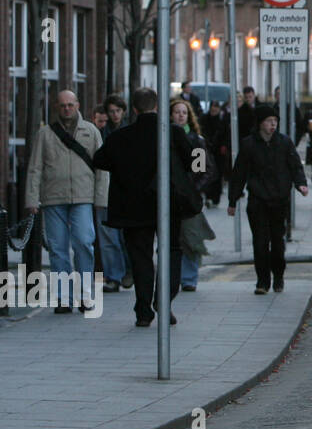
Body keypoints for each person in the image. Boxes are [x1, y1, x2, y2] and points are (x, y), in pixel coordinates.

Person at [93, 88, 194, 327]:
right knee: (171, 252)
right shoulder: (174, 133)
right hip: (168, 204)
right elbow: (196, 161)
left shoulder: (120, 137)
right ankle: (164, 302)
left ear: (135, 109)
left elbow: (99, 160)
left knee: (140, 258)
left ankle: (143, 310)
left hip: (133, 207)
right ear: (157, 107)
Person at [25, 91, 108, 312]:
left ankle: (86, 295)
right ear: (56, 107)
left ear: (78, 105)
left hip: (83, 196)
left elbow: (102, 168)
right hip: (53, 197)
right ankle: (63, 298)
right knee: (57, 249)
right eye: (63, 105)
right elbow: (35, 168)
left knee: (83, 243)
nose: (67, 109)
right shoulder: (45, 134)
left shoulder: (90, 131)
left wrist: (101, 198)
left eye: (70, 105)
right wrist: (32, 199)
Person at [228, 105, 308, 294]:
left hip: (279, 200)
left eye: (275, 121)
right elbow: (239, 173)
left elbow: (295, 165)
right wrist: (233, 200)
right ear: (260, 123)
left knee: (278, 242)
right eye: (268, 121)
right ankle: (262, 281)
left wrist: (301, 184)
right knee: (260, 242)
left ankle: (278, 276)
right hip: (258, 200)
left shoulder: (284, 142)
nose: (273, 125)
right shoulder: (249, 144)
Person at [172, 99, 217, 291]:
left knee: (190, 238)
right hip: (170, 195)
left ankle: (189, 279)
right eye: (177, 112)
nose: (181, 115)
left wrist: (194, 189)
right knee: (173, 239)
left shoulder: (196, 140)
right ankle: (174, 277)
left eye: (184, 112)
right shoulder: (165, 139)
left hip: (189, 198)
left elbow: (202, 171)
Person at [101, 94, 132, 289]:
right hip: (106, 189)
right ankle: (114, 276)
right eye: (111, 111)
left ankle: (128, 269)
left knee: (125, 236)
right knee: (108, 237)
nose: (114, 115)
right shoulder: (102, 133)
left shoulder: (129, 132)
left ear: (123, 112)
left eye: (117, 111)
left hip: (126, 190)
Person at [199, 100, 230, 206]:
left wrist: (224, 146)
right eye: (213, 106)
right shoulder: (204, 118)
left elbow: (226, 134)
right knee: (207, 173)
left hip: (219, 152)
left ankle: (215, 197)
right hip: (207, 149)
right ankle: (208, 196)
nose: (214, 109)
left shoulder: (222, 120)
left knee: (218, 174)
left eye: (216, 107)